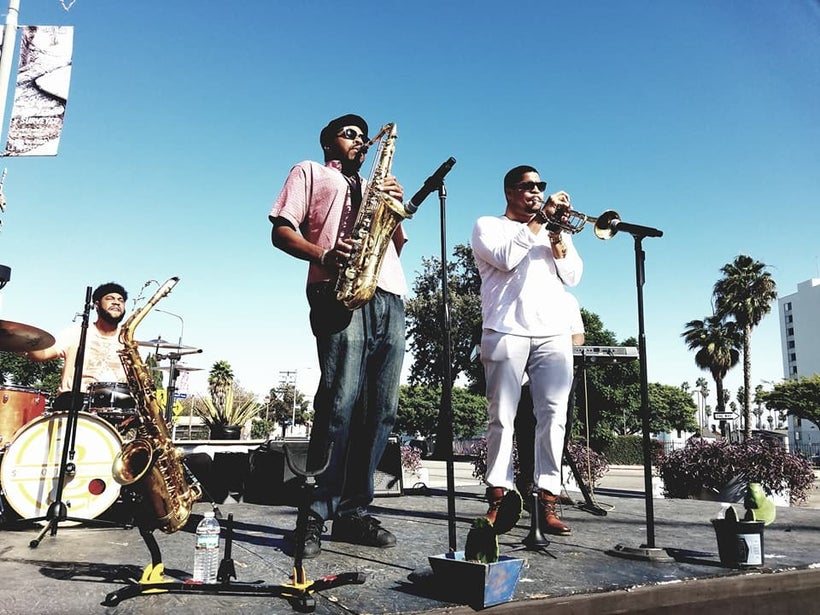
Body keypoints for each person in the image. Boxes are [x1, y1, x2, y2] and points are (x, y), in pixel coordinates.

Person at [269, 113, 407, 558]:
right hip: (336, 288)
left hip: (388, 293)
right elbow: (281, 232)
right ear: (328, 141)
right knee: (339, 404)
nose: (360, 142)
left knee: (381, 412)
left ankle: (352, 514)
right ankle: (313, 515)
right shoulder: (309, 171)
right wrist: (326, 254)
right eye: (350, 135)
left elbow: (395, 243)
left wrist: (392, 204)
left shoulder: (373, 186)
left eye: (365, 138)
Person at [471, 165, 583, 536]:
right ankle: (499, 500)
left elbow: (573, 276)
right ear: (510, 191)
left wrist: (558, 239)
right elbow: (505, 257)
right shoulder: (488, 225)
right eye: (529, 186)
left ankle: (547, 500)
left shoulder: (551, 230)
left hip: (553, 333)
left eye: (541, 186)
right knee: (502, 417)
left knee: (554, 416)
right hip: (505, 329)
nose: (536, 191)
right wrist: (540, 220)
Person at [514, 292, 585, 509]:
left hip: (557, 374)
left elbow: (578, 336)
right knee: (527, 429)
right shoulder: (521, 294)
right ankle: (527, 482)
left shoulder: (569, 300)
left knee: (560, 427)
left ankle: (550, 487)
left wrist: (558, 345)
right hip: (526, 376)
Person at [24, 282, 129, 408]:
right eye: (110, 298)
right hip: (74, 403)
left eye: (120, 300)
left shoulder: (129, 341)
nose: (116, 302)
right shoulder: (75, 333)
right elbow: (43, 354)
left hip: (116, 407)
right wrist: (22, 340)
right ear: (96, 305)